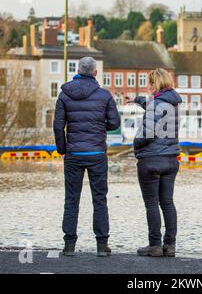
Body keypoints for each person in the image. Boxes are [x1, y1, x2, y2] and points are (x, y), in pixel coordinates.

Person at [53, 57, 121, 257]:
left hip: (73, 154)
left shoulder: (64, 95)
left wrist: (62, 149)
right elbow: (115, 122)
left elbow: (58, 125)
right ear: (95, 73)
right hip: (97, 153)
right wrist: (101, 127)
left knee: (71, 199)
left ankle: (69, 246)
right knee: (99, 199)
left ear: (78, 70)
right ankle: (101, 246)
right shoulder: (104, 95)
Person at [128, 68, 182, 257]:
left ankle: (155, 246)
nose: (148, 87)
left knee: (151, 203)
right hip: (171, 159)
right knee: (167, 203)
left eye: (149, 84)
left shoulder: (156, 103)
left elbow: (147, 133)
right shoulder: (173, 102)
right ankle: (170, 245)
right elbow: (154, 107)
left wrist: (136, 143)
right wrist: (137, 99)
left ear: (154, 84)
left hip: (151, 160)